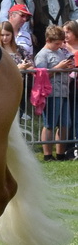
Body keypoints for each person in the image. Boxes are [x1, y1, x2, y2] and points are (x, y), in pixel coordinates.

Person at [33, 26, 73, 160]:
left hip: (64, 92)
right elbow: (40, 76)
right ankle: (47, 154)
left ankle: (60, 154)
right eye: (57, 43)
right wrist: (58, 67)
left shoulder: (60, 52)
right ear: (48, 40)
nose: (60, 45)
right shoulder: (42, 55)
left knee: (65, 124)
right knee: (49, 124)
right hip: (51, 94)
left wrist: (67, 67)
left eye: (61, 43)